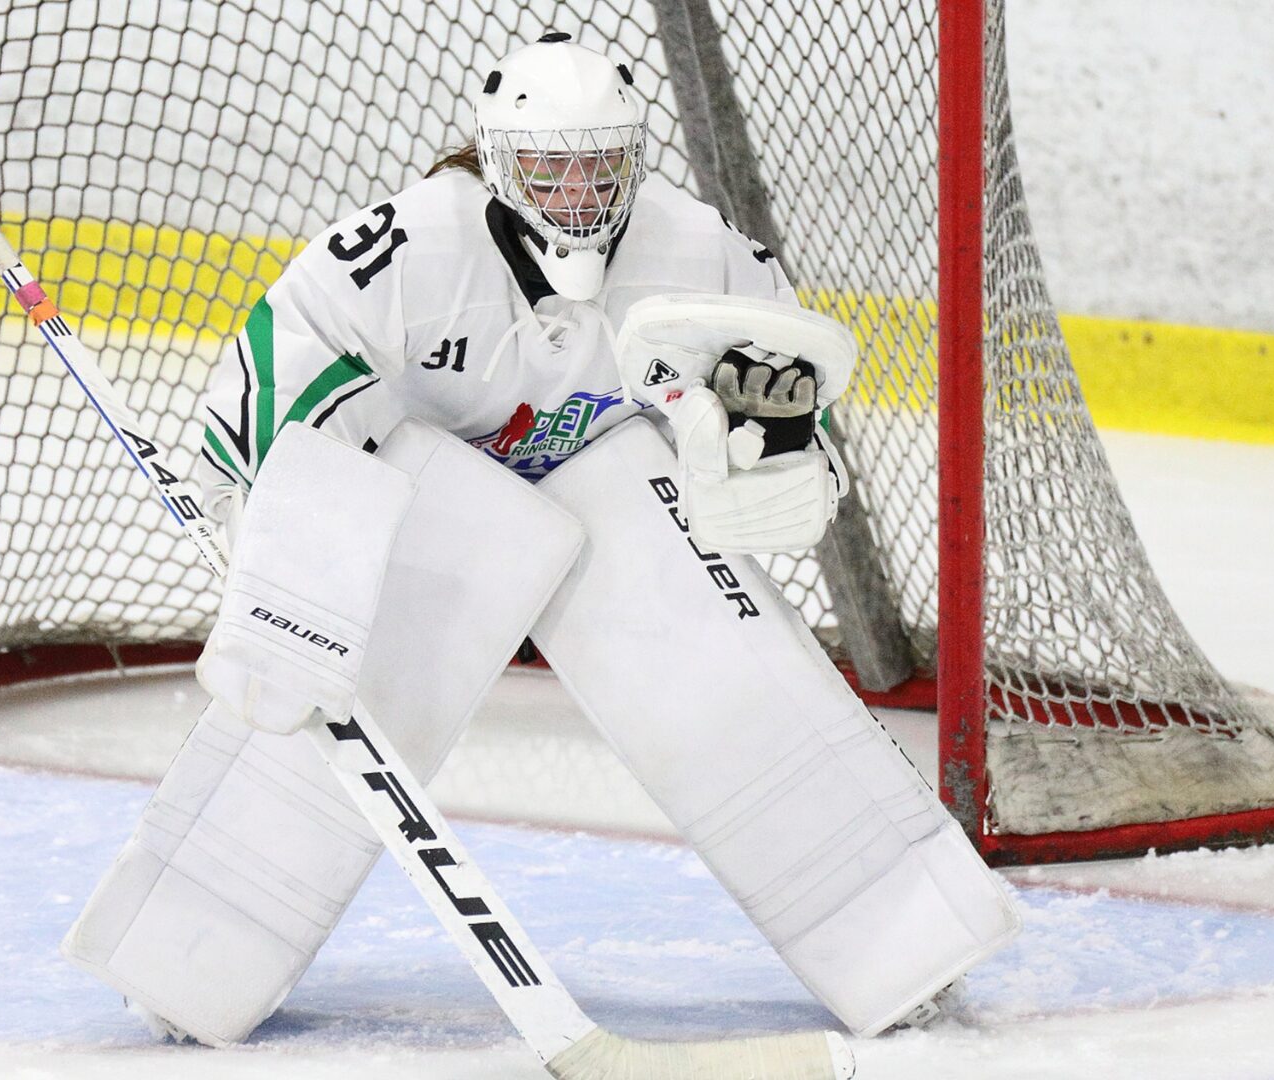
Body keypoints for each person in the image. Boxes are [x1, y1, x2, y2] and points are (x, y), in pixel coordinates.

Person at [60, 31, 1019, 1047]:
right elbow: (266, 391)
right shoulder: (410, 250)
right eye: (549, 172)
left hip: (605, 496)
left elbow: (786, 426)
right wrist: (294, 563)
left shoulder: (693, 248)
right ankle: (185, 956)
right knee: (344, 681)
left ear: (632, 160)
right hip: (429, 509)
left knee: (720, 656)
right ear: (501, 164)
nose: (574, 195)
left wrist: (763, 434)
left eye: (597, 168)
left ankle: (905, 934)